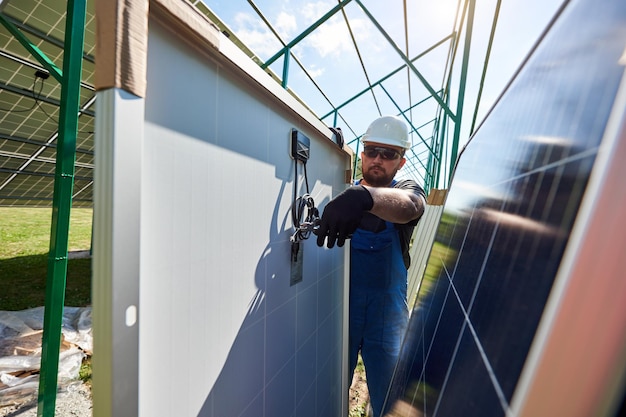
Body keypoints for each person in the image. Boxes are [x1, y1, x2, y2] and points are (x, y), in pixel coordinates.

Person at [316, 115, 426, 416]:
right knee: (327, 391)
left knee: (391, 400)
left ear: (400, 162)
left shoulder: (405, 188)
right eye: (371, 151)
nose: (377, 159)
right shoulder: (340, 192)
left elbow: (410, 206)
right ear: (361, 153)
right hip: (341, 312)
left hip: (387, 318)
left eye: (388, 154)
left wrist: (364, 197)